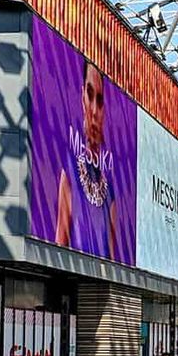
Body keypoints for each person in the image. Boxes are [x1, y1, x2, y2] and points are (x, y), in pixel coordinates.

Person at [55, 60, 119, 261]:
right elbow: (57, 250)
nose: (94, 110)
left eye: (99, 100)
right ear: (82, 97)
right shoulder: (70, 172)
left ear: (105, 109)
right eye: (90, 95)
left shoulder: (110, 190)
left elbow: (113, 262)